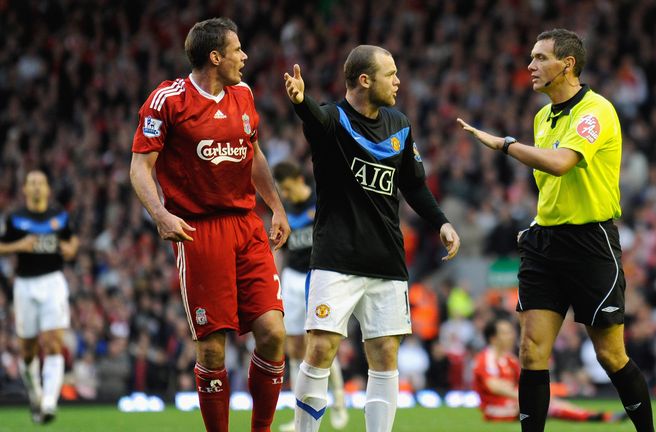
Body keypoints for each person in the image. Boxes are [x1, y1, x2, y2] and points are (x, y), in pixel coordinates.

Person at [457, 28, 655, 432]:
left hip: (591, 242)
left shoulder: (596, 110)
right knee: (531, 350)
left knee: (610, 355)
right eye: (531, 57)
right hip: (545, 243)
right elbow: (554, 189)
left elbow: (563, 164)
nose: (530, 65)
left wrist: (504, 144)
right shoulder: (542, 117)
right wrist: (538, 223)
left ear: (567, 64)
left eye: (540, 58)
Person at [284, 45, 460, 432]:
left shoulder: (399, 124)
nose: (398, 80)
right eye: (391, 73)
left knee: (384, 355)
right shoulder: (332, 121)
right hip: (336, 260)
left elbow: (414, 185)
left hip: (386, 262)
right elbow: (314, 119)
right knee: (319, 350)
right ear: (365, 80)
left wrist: (442, 222)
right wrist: (300, 101)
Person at [130, 17, 290, 432]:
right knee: (212, 351)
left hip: (246, 224)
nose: (245, 56)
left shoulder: (244, 94)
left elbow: (252, 154)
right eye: (238, 50)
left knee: (273, 332)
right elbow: (139, 167)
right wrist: (161, 214)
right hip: (198, 231)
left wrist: (276, 206)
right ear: (216, 56)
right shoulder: (167, 100)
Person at [272, 161, 348, 431]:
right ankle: (299, 412)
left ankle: (339, 402)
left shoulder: (320, 198)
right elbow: (280, 248)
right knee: (294, 348)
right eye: (283, 190)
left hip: (318, 276)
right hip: (293, 277)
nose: (288, 194)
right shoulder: (284, 210)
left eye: (289, 188)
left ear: (298, 179)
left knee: (321, 342)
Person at [0, 170, 79, 424]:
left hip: (53, 282)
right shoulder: (15, 218)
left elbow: (72, 243)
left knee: (54, 342)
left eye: (40, 183)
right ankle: (35, 395)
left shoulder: (59, 216)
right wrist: (18, 246)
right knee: (27, 351)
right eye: (31, 183)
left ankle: (48, 402)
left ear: (47, 189)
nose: (36, 188)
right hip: (24, 285)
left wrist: (71, 249)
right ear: (24, 190)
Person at [474, 318, 627, 424]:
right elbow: (494, 386)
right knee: (545, 403)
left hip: (511, 404)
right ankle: (597, 417)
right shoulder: (486, 358)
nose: (511, 335)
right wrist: (527, 396)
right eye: (505, 333)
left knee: (548, 399)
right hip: (494, 410)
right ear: (493, 338)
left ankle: (593, 415)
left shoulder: (510, 359)